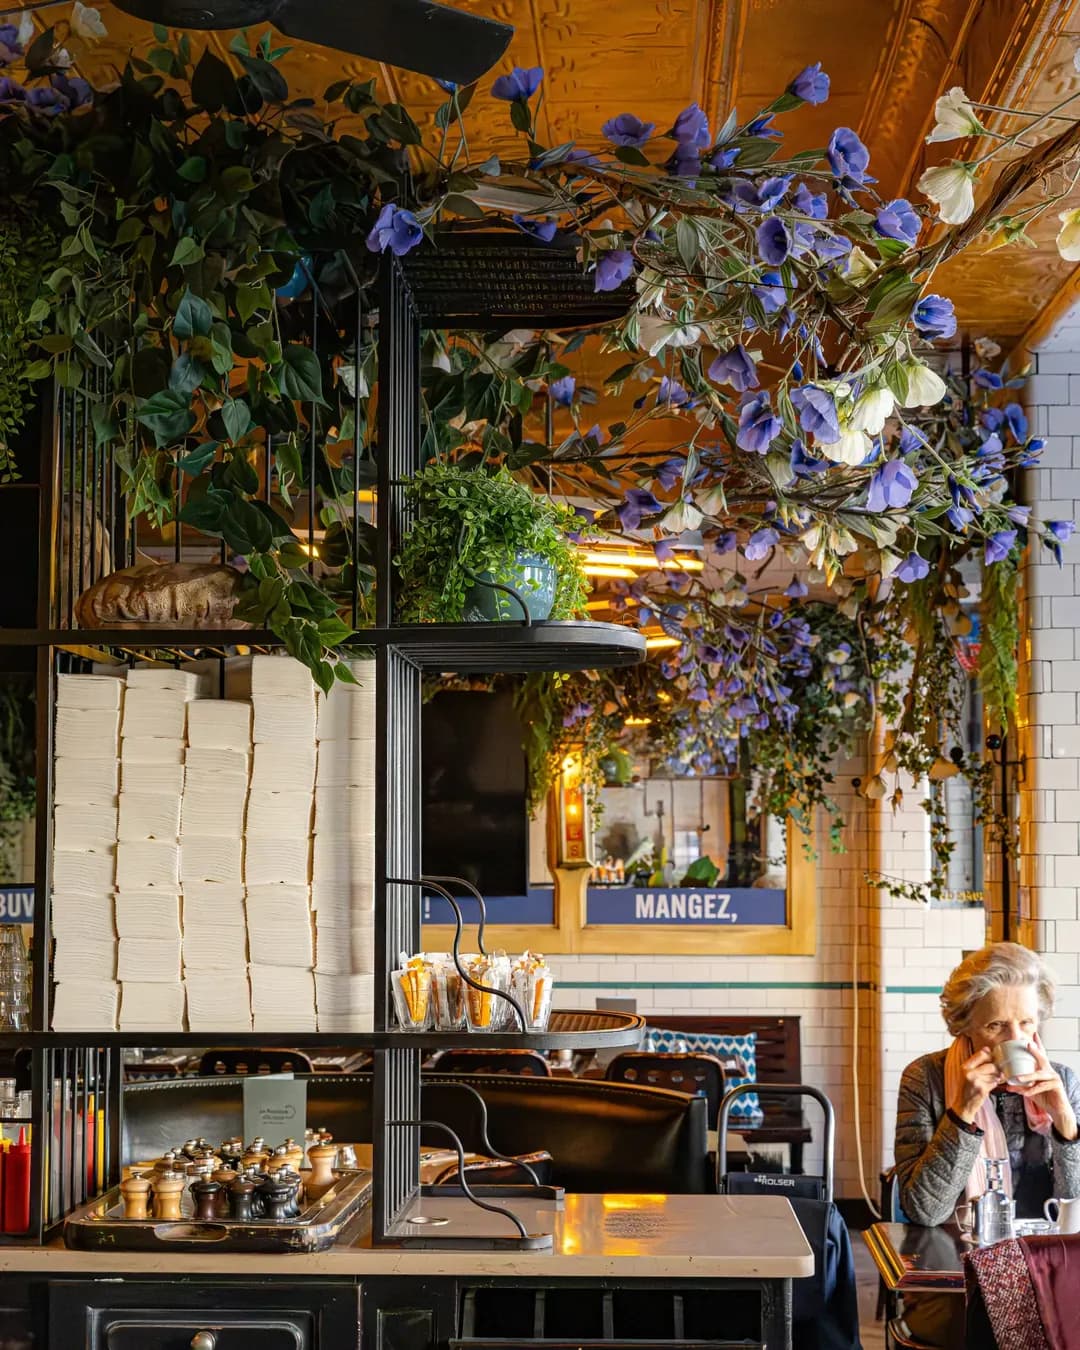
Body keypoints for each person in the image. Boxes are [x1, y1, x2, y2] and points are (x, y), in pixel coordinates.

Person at [893, 942, 1080, 1348]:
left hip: (1048, 1270)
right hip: (955, 1276)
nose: (1017, 1039)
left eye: (1028, 1024)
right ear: (964, 1023)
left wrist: (1066, 1123)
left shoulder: (1062, 1081)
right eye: (996, 1026)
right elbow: (926, 1210)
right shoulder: (924, 1079)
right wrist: (963, 1110)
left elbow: (1077, 1210)